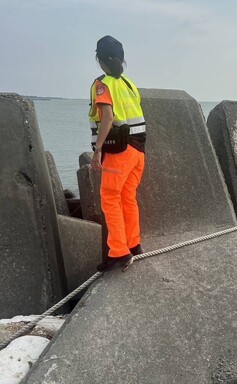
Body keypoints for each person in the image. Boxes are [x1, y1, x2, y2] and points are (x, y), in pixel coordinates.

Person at [88, 35, 146, 271]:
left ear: (99, 60)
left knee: (110, 199)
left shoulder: (102, 84)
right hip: (138, 151)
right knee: (127, 197)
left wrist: (97, 149)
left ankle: (119, 252)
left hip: (118, 151)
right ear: (122, 60)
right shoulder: (129, 84)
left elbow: (108, 117)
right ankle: (134, 245)